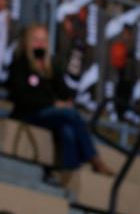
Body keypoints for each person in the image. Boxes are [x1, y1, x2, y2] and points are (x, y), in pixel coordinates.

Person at [7, 24, 111, 177]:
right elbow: (22, 97)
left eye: (43, 40)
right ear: (28, 42)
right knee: (71, 115)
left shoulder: (50, 65)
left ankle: (68, 171)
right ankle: (93, 158)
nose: (40, 44)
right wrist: (52, 104)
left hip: (48, 115)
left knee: (67, 129)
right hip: (28, 114)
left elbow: (63, 92)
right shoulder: (20, 64)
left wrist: (50, 72)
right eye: (36, 40)